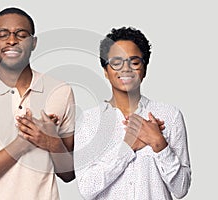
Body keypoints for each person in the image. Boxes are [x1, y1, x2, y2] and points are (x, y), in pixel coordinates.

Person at [0, 7, 75, 200]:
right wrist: (22, 143)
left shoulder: (60, 91)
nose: (12, 40)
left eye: (21, 34)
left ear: (33, 42)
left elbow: (69, 174)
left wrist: (50, 141)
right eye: (3, 34)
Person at [74, 27, 191, 200]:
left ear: (144, 69)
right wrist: (128, 146)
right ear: (106, 71)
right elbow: (86, 188)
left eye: (134, 62)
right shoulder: (89, 121)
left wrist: (159, 143)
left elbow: (181, 189)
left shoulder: (170, 115)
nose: (126, 68)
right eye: (116, 62)